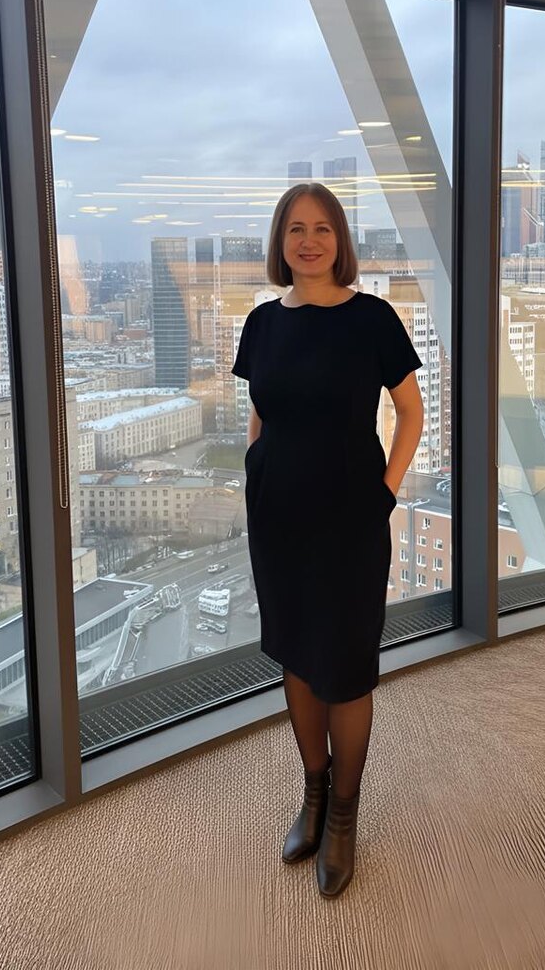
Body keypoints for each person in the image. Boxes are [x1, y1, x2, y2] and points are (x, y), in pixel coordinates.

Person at [230, 182, 424, 897]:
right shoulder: (261, 323)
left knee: (343, 664)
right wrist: (254, 473)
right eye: (295, 229)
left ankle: (343, 815)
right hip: (278, 517)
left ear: (340, 239)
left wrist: (385, 492)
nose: (308, 241)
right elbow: (260, 413)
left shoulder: (372, 318)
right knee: (297, 653)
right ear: (280, 243)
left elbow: (411, 412)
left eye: (321, 228)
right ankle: (313, 794)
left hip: (349, 518)